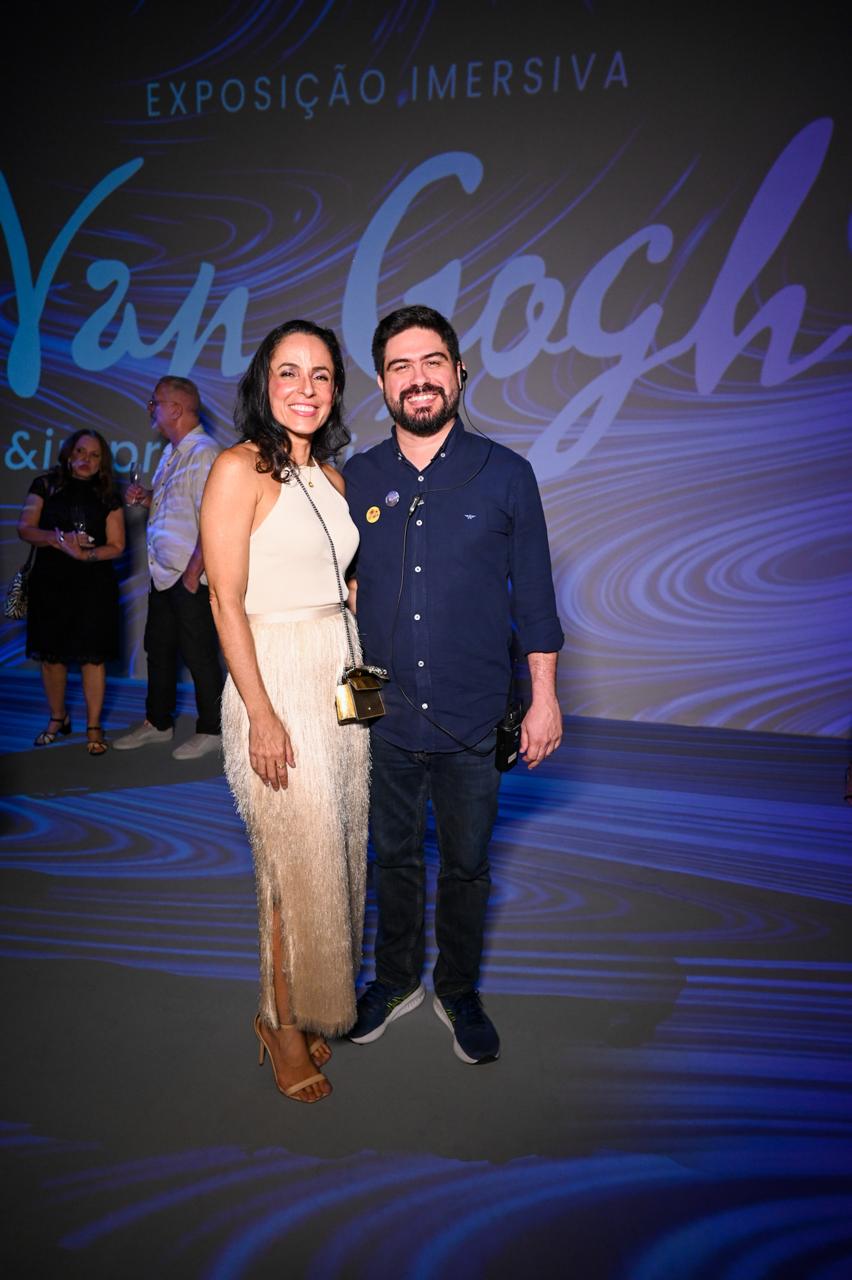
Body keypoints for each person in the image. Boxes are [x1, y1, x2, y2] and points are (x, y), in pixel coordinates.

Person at [343, 305, 564, 1064]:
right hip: (382, 718)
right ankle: (395, 978)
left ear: (459, 373)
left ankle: (459, 987)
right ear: (382, 384)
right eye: (400, 366)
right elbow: (336, 589)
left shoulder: (507, 474)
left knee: (467, 865)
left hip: (475, 718)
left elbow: (535, 599)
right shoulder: (356, 478)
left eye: (432, 362)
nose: (419, 378)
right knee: (393, 859)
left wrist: (544, 698)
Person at [201, 320, 369, 1104]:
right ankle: (279, 1024)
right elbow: (224, 600)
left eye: (322, 375)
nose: (307, 388)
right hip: (273, 679)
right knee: (288, 866)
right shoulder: (238, 468)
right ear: (263, 384)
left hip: (336, 675)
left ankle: (302, 1004)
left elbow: (337, 580)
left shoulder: (331, 477)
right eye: (289, 372)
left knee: (332, 855)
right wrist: (262, 714)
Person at [114, 377, 224, 760]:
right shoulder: (172, 453)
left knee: (199, 654)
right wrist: (148, 498)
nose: (150, 409)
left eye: (155, 402)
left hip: (188, 577)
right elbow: (178, 508)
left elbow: (216, 520)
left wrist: (193, 573)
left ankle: (212, 729)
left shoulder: (205, 453)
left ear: (175, 409)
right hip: (163, 574)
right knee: (158, 651)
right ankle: (158, 723)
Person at [17, 429, 126, 756]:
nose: (85, 459)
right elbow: (25, 528)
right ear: (68, 454)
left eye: (94, 455)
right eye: (80, 451)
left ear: (102, 462)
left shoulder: (108, 494)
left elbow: (117, 546)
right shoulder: (45, 484)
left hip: (94, 586)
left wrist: (85, 554)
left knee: (93, 658)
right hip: (50, 583)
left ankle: (93, 726)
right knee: (51, 656)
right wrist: (58, 539)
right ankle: (58, 718)